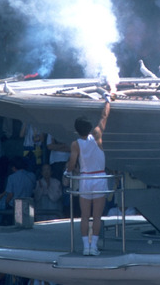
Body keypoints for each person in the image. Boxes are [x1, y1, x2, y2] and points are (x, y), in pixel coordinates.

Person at [65, 94, 111, 256]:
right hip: (99, 178)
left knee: (85, 216)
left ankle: (86, 248)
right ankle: (94, 247)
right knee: (96, 216)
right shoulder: (97, 134)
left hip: (85, 179)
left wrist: (67, 171)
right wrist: (107, 100)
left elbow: (72, 164)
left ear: (76, 130)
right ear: (90, 127)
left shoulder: (75, 144)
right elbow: (104, 116)